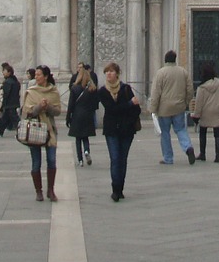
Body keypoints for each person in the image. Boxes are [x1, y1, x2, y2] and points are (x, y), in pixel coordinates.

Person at [95, 61, 141, 201]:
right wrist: (128, 105)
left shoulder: (126, 88)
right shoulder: (102, 91)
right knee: (115, 158)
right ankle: (115, 188)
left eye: (111, 71)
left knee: (123, 159)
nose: (108, 74)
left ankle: (120, 188)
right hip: (111, 130)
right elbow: (111, 109)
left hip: (127, 130)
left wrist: (129, 111)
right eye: (106, 72)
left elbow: (136, 109)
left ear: (117, 74)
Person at [22, 65, 62, 202]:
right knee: (36, 162)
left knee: (51, 160)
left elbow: (57, 111)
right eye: (36, 75)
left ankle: (51, 190)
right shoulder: (31, 91)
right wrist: (40, 107)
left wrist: (48, 107)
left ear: (45, 76)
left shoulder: (53, 91)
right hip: (34, 129)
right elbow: (28, 111)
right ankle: (38, 191)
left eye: (39, 75)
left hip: (50, 130)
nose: (37, 77)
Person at [149, 49, 195, 164]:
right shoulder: (183, 72)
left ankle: (168, 158)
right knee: (180, 129)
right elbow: (190, 90)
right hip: (179, 107)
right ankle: (188, 147)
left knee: (165, 133)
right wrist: (186, 102)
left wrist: (153, 108)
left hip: (164, 109)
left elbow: (156, 92)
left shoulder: (160, 73)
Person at [191, 62, 219, 163]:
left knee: (203, 133)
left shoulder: (201, 87)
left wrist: (196, 115)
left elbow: (199, 103)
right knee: (217, 133)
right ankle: (218, 156)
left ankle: (203, 154)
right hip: (217, 111)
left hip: (205, 112)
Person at [66, 63, 97, 167]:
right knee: (85, 137)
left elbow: (70, 105)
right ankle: (87, 151)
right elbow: (95, 103)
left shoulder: (75, 89)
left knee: (78, 138)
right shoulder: (92, 89)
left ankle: (80, 160)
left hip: (77, 115)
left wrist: (68, 118)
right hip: (88, 114)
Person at [0, 62, 21, 137]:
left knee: (15, 119)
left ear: (9, 72)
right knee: (5, 118)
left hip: (9, 103)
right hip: (14, 102)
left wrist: (3, 104)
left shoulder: (8, 82)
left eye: (4, 71)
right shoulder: (15, 81)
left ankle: (22, 130)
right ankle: (0, 132)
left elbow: (6, 94)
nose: (3, 73)